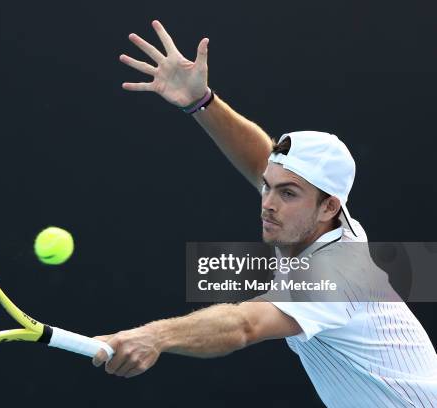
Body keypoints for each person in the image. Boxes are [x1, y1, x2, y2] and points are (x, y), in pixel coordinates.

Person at [92, 20, 437, 407]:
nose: (268, 203)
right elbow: (263, 158)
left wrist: (155, 336)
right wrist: (201, 102)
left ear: (329, 206)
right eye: (268, 187)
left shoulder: (338, 274)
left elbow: (244, 324)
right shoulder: (317, 217)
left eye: (287, 193)